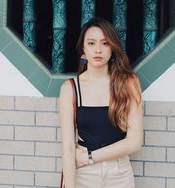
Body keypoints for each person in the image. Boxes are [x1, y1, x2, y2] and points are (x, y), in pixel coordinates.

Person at [59, 17, 143, 188]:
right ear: (83, 48)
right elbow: (68, 147)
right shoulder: (70, 88)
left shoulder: (128, 83)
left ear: (112, 47)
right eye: (91, 43)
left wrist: (89, 157)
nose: (98, 50)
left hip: (119, 174)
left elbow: (134, 142)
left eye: (105, 43)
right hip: (83, 175)